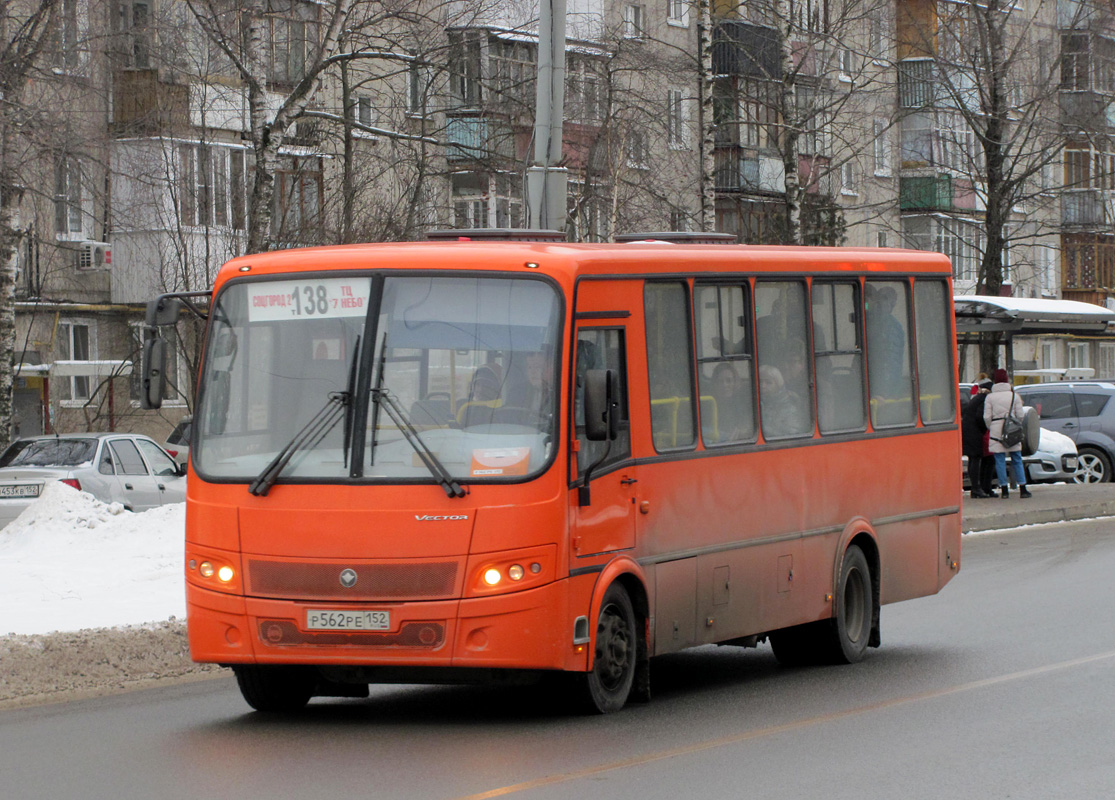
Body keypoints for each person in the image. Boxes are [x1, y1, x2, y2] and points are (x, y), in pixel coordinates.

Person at [983, 368, 1031, 499]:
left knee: (999, 460)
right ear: (1007, 380)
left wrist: (992, 426)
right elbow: (1020, 415)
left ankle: (1004, 490)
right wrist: (1015, 425)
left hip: (996, 430)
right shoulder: (1014, 396)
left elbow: (986, 417)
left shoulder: (990, 397)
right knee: (1017, 458)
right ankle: (1023, 488)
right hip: (1012, 430)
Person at [962, 379, 993, 498]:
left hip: (968, 431)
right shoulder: (984, 400)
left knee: (972, 460)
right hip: (975, 432)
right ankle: (976, 488)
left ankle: (975, 488)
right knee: (975, 459)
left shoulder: (975, 398)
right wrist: (984, 429)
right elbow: (980, 417)